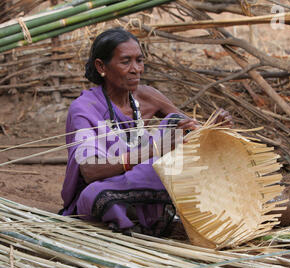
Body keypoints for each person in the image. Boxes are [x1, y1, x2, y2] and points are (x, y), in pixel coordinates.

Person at [60, 27, 232, 236]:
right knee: (96, 193)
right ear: (101, 66)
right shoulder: (84, 108)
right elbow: (90, 172)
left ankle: (172, 209)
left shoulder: (147, 95)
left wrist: (213, 128)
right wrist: (156, 149)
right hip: (106, 190)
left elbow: (189, 129)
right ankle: (153, 217)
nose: (136, 69)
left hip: (142, 178)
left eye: (139, 60)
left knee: (175, 124)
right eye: (126, 62)